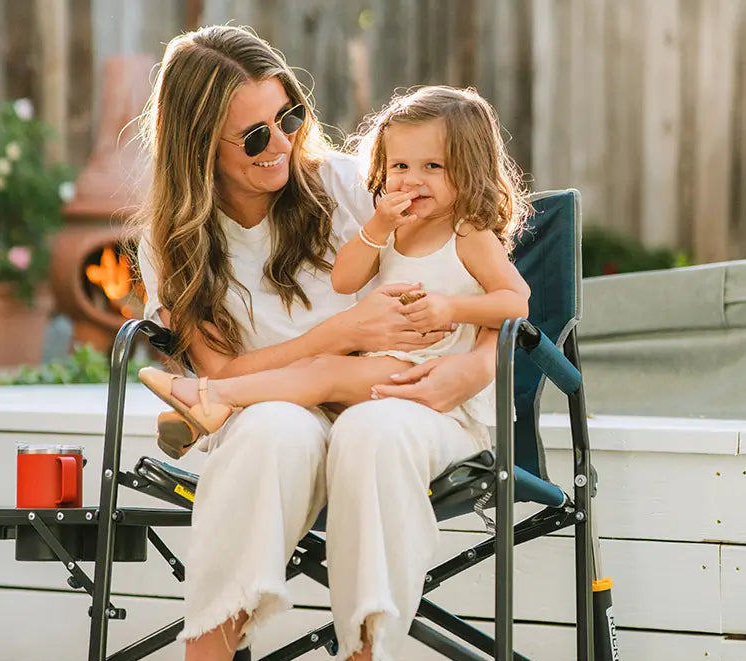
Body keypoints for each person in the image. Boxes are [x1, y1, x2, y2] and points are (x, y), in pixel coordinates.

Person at [135, 24, 529, 661]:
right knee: (271, 431)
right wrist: (331, 349)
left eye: (289, 118)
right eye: (253, 134)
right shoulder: (176, 236)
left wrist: (477, 367)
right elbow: (223, 370)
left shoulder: (356, 186)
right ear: (198, 146)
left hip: (400, 401)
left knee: (372, 431)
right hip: (270, 411)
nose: (280, 143)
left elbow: (478, 282)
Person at [138, 85, 530, 447]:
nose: (412, 181)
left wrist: (455, 316)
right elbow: (344, 280)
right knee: (316, 367)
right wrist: (377, 229)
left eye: (433, 167)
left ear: (469, 169)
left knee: (323, 372)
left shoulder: (468, 235)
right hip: (383, 366)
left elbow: (516, 303)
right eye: (400, 167)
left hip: (424, 368)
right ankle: (208, 409)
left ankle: (215, 396)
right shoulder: (393, 225)